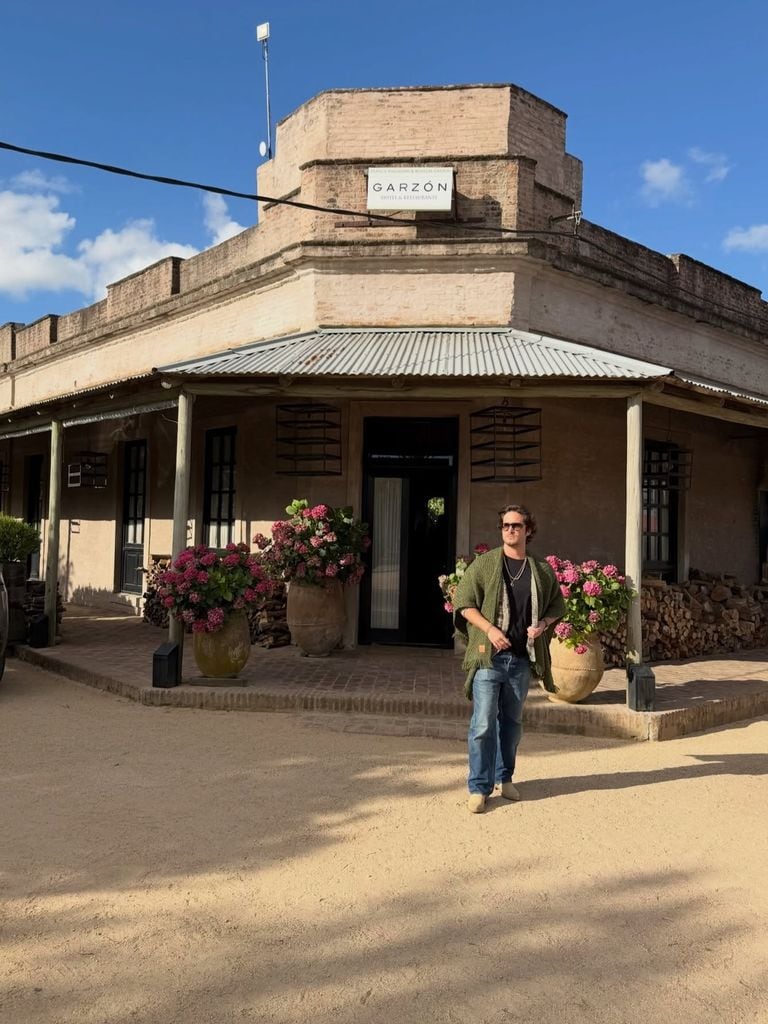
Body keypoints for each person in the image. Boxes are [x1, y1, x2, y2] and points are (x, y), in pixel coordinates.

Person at [452, 504, 565, 814]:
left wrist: (542, 625)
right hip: (489, 659)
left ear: (528, 530)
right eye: (505, 526)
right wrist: (488, 629)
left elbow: (557, 604)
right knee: (483, 724)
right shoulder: (486, 564)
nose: (511, 530)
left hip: (520, 659)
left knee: (512, 724)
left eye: (517, 525)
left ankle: (506, 777)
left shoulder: (540, 569)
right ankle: (479, 787)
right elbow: (463, 602)